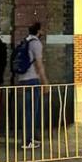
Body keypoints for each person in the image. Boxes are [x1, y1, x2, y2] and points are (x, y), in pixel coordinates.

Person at [15, 21, 48, 149]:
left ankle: (32, 138)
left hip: (22, 79)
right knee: (31, 111)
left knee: (27, 110)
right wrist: (45, 81)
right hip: (32, 79)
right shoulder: (36, 43)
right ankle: (27, 141)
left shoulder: (25, 41)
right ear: (38, 31)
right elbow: (39, 65)